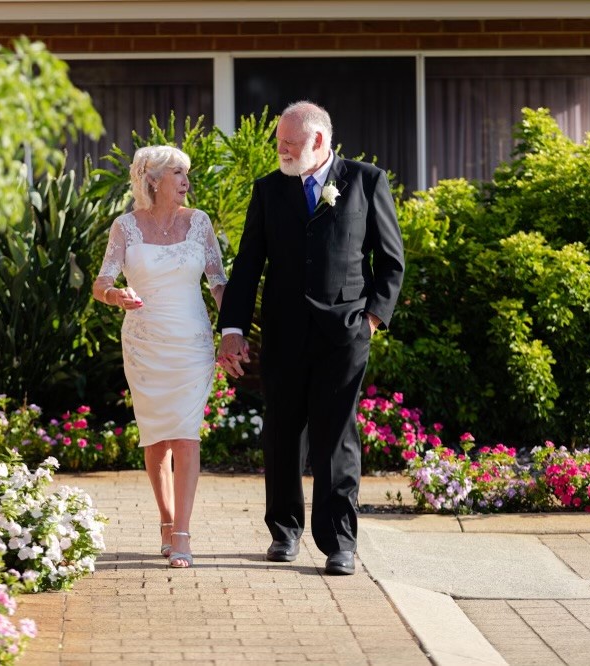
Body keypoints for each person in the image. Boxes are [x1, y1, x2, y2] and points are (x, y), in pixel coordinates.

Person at [216, 101, 404, 575]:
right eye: (279, 142)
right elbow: (247, 265)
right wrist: (233, 329)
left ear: (319, 141)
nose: (281, 150)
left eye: (290, 144)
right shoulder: (268, 190)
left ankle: (339, 542)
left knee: (336, 437)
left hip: (344, 334)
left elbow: (390, 261)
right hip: (282, 333)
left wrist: (371, 320)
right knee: (281, 433)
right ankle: (284, 531)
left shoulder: (366, 181)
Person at [93, 144, 228, 569]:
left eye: (187, 174)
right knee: (156, 439)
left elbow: (219, 283)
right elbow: (101, 282)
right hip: (145, 342)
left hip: (191, 342)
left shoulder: (200, 223)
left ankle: (183, 534)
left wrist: (234, 332)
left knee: (186, 435)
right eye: (178, 174)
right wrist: (116, 295)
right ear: (153, 180)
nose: (187, 181)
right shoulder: (125, 227)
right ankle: (166, 522)